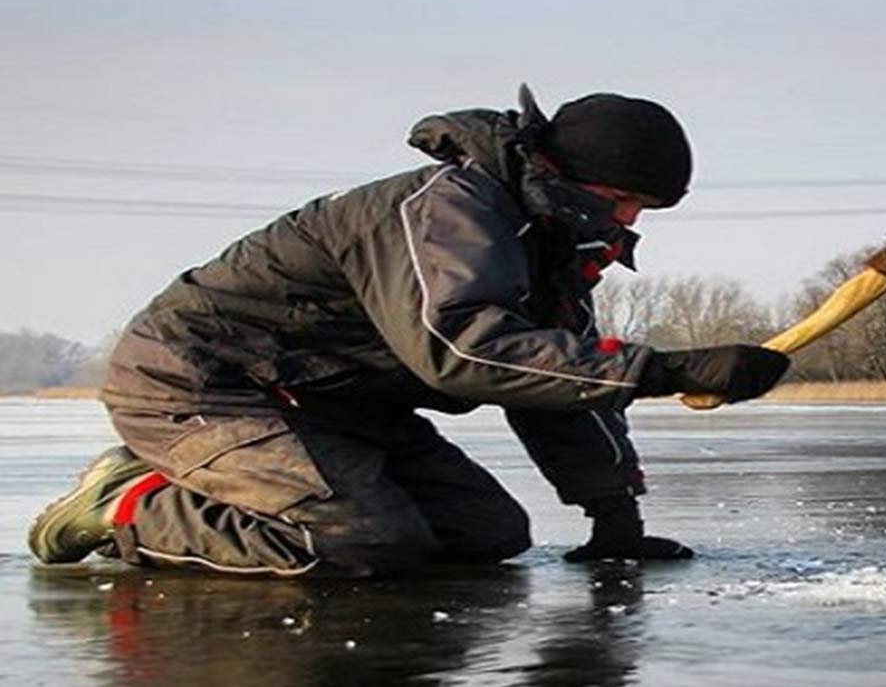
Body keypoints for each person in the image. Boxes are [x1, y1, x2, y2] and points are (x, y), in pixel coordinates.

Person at [26, 85, 790, 577]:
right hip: (205, 385)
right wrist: (670, 370)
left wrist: (613, 517)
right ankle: (131, 502)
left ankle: (218, 483)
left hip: (336, 405)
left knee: (485, 535)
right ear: (559, 171)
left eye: (646, 210)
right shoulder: (447, 211)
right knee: (365, 541)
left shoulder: (550, 240)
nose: (628, 221)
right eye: (622, 199)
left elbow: (552, 379)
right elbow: (466, 349)